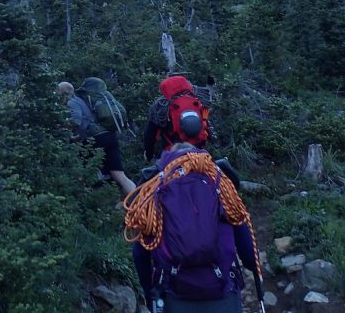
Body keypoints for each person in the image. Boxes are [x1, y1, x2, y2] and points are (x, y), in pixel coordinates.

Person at [124, 143, 261, 312]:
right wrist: (254, 268)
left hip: (175, 295)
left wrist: (148, 291)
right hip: (222, 292)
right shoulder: (221, 186)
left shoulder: (155, 191)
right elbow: (248, 253)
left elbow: (140, 254)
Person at [57, 81, 136, 197]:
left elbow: (76, 121)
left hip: (97, 139)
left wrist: (60, 126)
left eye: (57, 92)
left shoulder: (72, 102)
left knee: (82, 171)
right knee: (119, 174)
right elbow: (90, 124)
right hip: (110, 136)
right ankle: (139, 200)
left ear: (64, 92)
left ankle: (89, 201)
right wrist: (75, 138)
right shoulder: (84, 100)